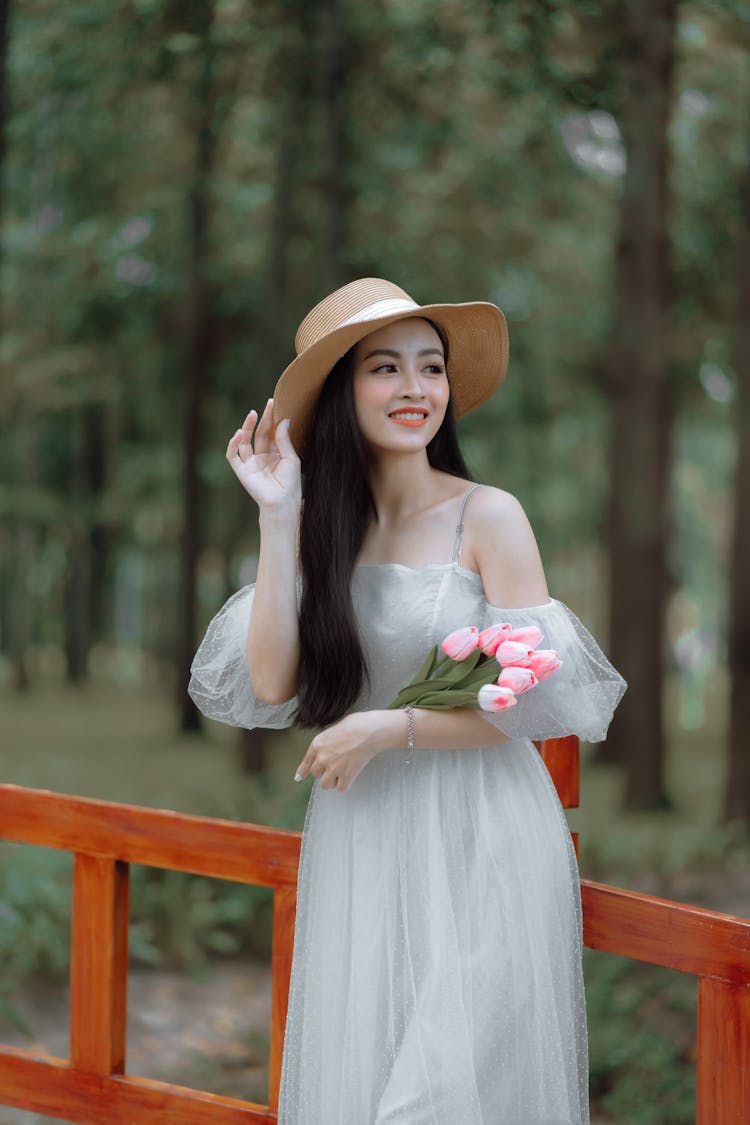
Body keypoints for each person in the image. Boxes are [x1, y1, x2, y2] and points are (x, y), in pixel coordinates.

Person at [188, 277, 627, 1125]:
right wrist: (278, 520)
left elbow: (532, 698)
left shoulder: (489, 518)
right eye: (385, 368)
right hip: (365, 838)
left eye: (430, 368)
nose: (416, 389)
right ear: (342, 392)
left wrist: (391, 726)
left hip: (483, 834)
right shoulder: (323, 533)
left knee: (430, 1100)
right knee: (364, 1087)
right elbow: (273, 682)